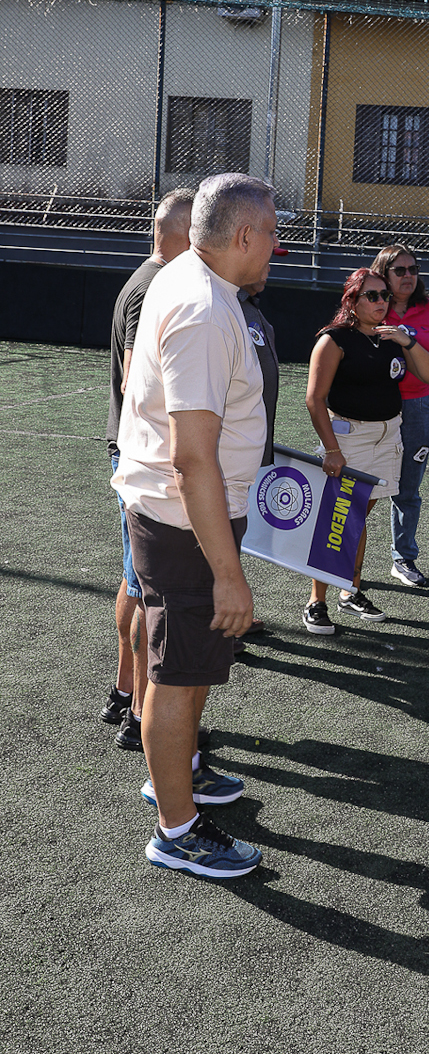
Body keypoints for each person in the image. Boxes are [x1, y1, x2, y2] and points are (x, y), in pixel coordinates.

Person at [113, 172, 277, 879]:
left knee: (184, 664)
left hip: (182, 520)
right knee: (178, 676)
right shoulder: (206, 308)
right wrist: (228, 574)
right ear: (241, 236)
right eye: (271, 232)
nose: (278, 245)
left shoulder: (187, 275)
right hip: (185, 525)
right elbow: (192, 458)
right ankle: (175, 828)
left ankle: (177, 773)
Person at [102, 188, 194, 752]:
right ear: (186, 235)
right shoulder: (156, 285)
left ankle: (122, 692)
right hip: (144, 456)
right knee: (147, 589)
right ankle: (139, 711)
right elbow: (137, 381)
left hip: (131, 450)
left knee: (136, 581)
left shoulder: (146, 278)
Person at [302, 267, 429, 632]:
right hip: (349, 439)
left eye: (385, 295)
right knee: (338, 518)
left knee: (358, 517)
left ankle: (350, 591)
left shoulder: (391, 338)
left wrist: (407, 341)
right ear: (352, 300)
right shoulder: (334, 340)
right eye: (373, 296)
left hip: (388, 436)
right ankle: (316, 601)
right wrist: (332, 450)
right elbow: (314, 399)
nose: (382, 302)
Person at [370, 244, 429, 587]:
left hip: (418, 407)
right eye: (399, 270)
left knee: (408, 489)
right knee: (363, 486)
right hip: (374, 409)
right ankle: (340, 555)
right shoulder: (372, 306)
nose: (408, 276)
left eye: (413, 270)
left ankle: (403, 559)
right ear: (384, 274)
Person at [238, 275, 280, 636]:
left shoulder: (247, 305)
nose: (268, 266)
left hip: (246, 451)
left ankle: (231, 617)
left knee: (235, 531)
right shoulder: (224, 305)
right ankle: (225, 626)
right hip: (226, 453)